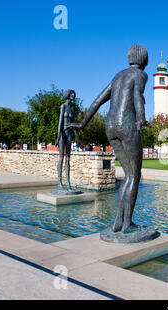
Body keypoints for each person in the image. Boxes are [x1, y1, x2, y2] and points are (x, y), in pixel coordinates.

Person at [67, 45, 149, 233]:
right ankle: (127, 223)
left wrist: (82, 123)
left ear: (129, 58)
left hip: (110, 126)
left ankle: (117, 223)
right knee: (133, 176)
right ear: (144, 60)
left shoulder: (119, 75)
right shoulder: (141, 75)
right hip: (127, 125)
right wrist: (141, 119)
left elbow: (98, 100)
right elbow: (137, 95)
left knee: (127, 176)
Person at [55, 89, 79, 191]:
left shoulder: (72, 108)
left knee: (68, 159)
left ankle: (68, 184)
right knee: (61, 158)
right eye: (71, 93)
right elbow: (60, 121)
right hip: (62, 133)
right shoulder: (63, 106)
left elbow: (74, 124)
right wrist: (58, 136)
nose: (73, 95)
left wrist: (78, 137)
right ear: (68, 95)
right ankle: (59, 183)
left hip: (69, 134)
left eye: (74, 93)